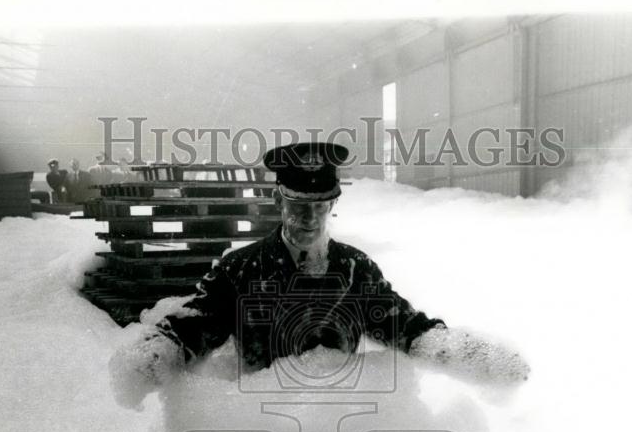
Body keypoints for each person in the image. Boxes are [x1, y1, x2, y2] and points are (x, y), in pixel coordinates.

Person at [109, 141, 529, 408]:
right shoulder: (241, 269)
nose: (308, 216)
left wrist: (469, 355)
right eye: (297, 204)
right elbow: (199, 322)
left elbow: (404, 326)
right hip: (265, 429)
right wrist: (162, 351)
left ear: (332, 204)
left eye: (320, 205)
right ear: (279, 200)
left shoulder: (355, 269)